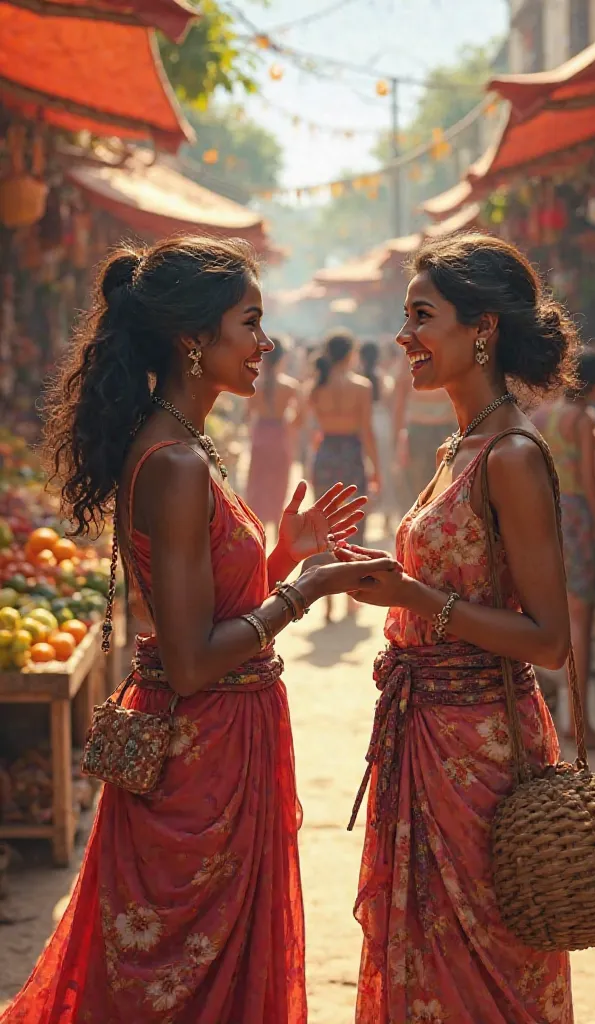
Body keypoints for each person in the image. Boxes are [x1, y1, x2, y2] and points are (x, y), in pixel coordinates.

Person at [2, 237, 399, 1024]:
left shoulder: (181, 443)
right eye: (249, 323)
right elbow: (188, 661)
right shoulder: (178, 461)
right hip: (200, 754)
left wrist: (283, 551)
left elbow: (203, 605)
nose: (266, 344)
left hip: (216, 747)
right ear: (193, 338)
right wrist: (301, 588)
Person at [336, 233, 575, 1023]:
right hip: (428, 742)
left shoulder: (509, 454)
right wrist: (396, 585)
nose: (404, 335)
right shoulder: (458, 447)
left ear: (483, 328)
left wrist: (413, 594)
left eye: (421, 316)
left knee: (489, 982)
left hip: (484, 757)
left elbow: (549, 640)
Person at [533, 349, 595, 751]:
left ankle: (552, 710)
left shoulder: (542, 415)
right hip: (578, 521)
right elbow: (589, 482)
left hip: (542, 519)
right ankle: (580, 722)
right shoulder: (582, 420)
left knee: (546, 616)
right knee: (580, 624)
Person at [308, 329, 381, 621]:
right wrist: (376, 468)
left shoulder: (315, 387)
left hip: (325, 452)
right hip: (350, 453)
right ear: (350, 354)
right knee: (353, 524)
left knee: (324, 524)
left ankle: (326, 599)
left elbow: (310, 425)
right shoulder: (362, 386)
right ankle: (352, 594)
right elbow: (367, 432)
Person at [245, 334, 299, 533]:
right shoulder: (290, 386)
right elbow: (298, 420)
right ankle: (277, 528)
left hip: (260, 433)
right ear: (283, 358)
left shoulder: (253, 384)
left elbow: (247, 415)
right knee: (279, 484)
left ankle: (257, 529)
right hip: (280, 435)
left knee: (257, 485)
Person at [392, 358, 456, 511]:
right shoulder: (408, 367)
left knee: (448, 487)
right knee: (420, 488)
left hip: (447, 432)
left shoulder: (451, 363)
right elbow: (398, 408)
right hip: (418, 433)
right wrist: (398, 442)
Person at [359, 340, 397, 535]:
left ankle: (363, 514)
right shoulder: (382, 378)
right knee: (384, 471)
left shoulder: (357, 378)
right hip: (381, 423)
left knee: (363, 471)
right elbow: (389, 402)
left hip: (360, 425)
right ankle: (387, 519)